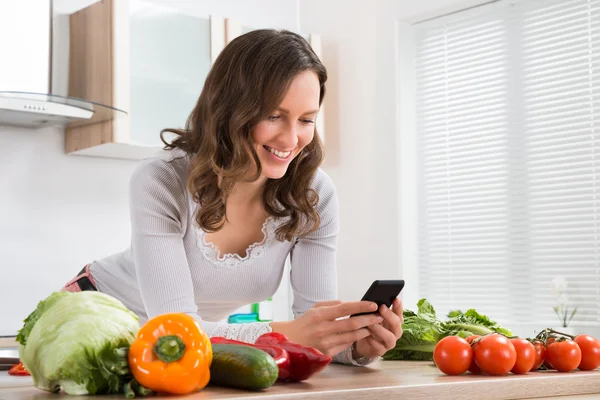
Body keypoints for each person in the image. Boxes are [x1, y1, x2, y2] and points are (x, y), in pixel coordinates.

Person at [61, 29, 403, 366]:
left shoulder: (314, 194)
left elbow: (315, 327)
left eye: (306, 120)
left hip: (182, 353)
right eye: (274, 116)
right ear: (230, 109)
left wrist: (358, 345)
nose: (291, 138)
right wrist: (287, 334)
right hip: (91, 317)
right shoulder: (161, 179)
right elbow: (173, 330)